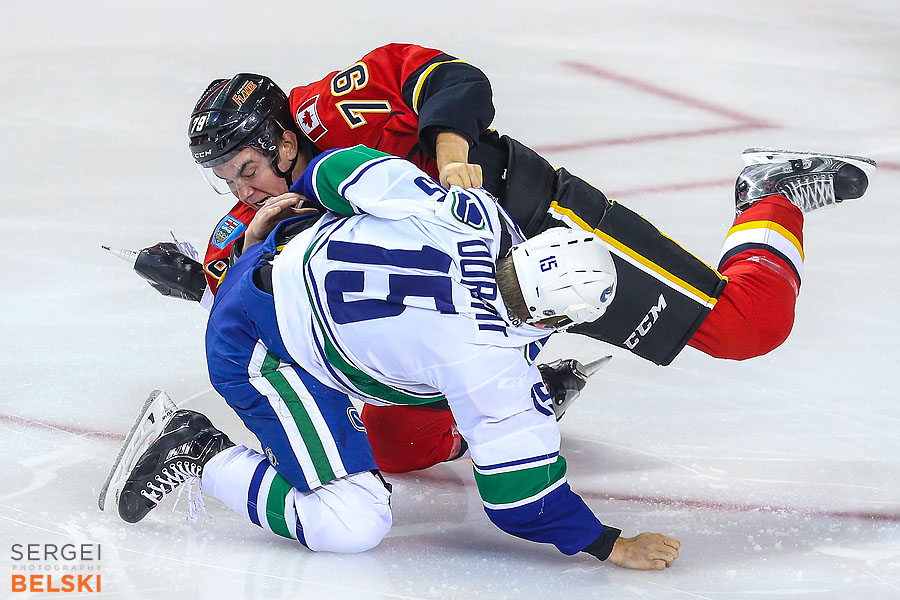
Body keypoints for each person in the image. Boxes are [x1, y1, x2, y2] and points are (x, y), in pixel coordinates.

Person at [135, 44, 874, 473]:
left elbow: (449, 78)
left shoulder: (335, 107)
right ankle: (532, 383)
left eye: (242, 166)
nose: (237, 187)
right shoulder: (250, 217)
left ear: (280, 134)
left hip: (543, 245)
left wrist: (450, 150)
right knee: (402, 446)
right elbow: (252, 306)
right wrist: (197, 284)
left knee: (750, 326)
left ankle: (771, 193)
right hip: (468, 312)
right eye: (222, 178)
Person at [109, 144, 681, 570]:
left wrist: (290, 211)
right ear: (556, 320)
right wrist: (609, 544)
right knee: (351, 522)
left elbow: (338, 170)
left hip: (272, 263)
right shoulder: (492, 370)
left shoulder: (472, 216)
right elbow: (522, 501)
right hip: (259, 349)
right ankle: (199, 451)